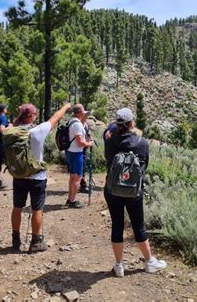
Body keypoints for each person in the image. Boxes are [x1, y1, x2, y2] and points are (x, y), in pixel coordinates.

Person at [104, 108, 167, 277]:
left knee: (117, 226)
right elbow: (145, 166)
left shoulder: (109, 142)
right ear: (132, 122)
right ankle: (150, 262)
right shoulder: (143, 143)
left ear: (117, 124)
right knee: (138, 226)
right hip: (134, 191)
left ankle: (119, 265)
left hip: (112, 190)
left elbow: (108, 161)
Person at [11, 102, 72, 252]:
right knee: (37, 209)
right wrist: (66, 106)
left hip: (19, 175)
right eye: (35, 113)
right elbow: (56, 117)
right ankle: (36, 242)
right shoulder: (38, 130)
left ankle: (15, 239)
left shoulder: (13, 131)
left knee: (17, 207)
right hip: (37, 177)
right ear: (31, 116)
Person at [66, 104, 94, 208]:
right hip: (76, 153)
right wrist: (89, 144)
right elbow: (80, 142)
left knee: (72, 177)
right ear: (80, 112)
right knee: (77, 177)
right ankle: (72, 201)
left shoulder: (71, 121)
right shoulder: (77, 124)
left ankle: (70, 199)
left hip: (70, 152)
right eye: (83, 111)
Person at [0, 104, 12, 191]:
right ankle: (19, 182)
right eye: (6, 108)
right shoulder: (3, 117)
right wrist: (10, 126)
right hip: (3, 144)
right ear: (4, 109)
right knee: (11, 162)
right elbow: (2, 130)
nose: (6, 110)